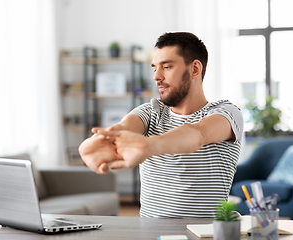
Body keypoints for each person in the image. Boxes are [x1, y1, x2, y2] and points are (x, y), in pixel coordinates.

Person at [79, 32, 244, 218]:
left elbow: (199, 134)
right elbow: (124, 128)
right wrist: (102, 140)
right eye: (154, 68)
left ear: (195, 69)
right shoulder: (150, 111)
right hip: (150, 234)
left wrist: (148, 146)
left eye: (166, 66)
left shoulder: (227, 113)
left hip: (204, 233)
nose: (157, 76)